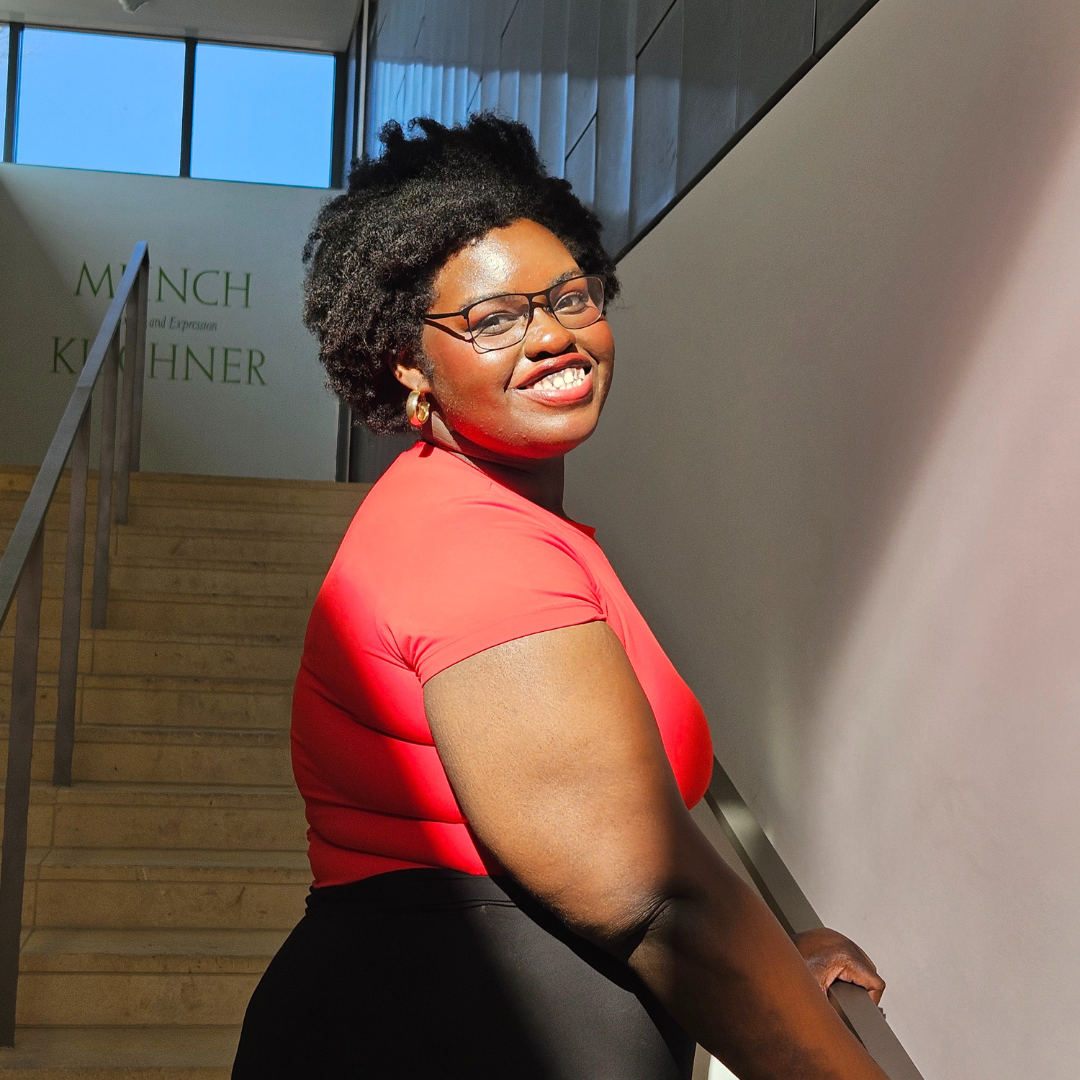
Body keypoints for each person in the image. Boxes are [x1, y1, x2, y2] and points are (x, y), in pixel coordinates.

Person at [232, 114, 887, 1080]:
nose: (550, 336)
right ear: (406, 363)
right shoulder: (468, 541)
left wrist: (779, 981)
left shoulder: (513, 522)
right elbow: (657, 898)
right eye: (492, 320)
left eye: (569, 298)